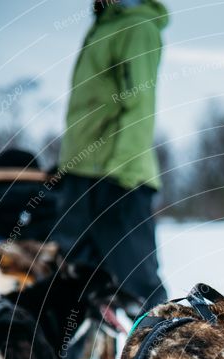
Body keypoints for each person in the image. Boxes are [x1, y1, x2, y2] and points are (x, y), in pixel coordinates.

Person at [55, 0, 169, 311]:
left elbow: (140, 103)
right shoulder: (102, 24)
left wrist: (123, 172)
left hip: (119, 177)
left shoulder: (137, 26)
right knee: (72, 287)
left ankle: (164, 358)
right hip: (82, 176)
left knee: (138, 290)